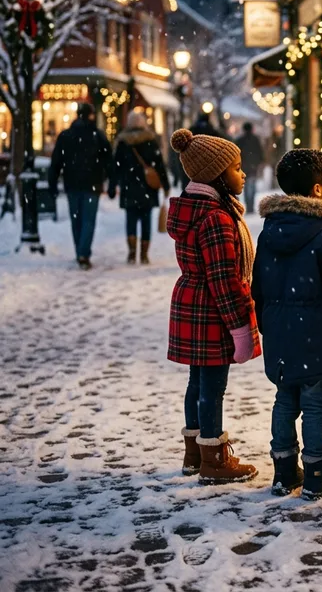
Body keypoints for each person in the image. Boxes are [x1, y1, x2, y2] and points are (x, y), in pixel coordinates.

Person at [252, 149, 322, 500]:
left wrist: (267, 325)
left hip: (281, 333)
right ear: (317, 190)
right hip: (317, 335)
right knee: (315, 405)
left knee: (284, 400)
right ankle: (316, 473)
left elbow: (259, 286)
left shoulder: (269, 232)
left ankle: (284, 471)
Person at [167, 128, 261, 485]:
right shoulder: (216, 218)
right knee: (212, 387)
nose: (243, 173)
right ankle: (214, 459)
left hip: (192, 302)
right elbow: (225, 280)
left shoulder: (195, 208)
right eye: (237, 168)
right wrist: (241, 328)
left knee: (197, 383)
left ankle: (194, 454)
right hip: (211, 311)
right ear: (217, 175)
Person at [48, 102, 113, 270]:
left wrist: (53, 183)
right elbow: (109, 162)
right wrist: (110, 181)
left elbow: (56, 162)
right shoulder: (97, 135)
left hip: (72, 183)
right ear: (91, 115)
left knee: (76, 220)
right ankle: (83, 253)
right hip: (92, 183)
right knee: (88, 220)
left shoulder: (66, 136)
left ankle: (80, 251)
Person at [108, 111, 170, 264]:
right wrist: (165, 184)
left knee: (131, 219)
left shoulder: (123, 142)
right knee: (146, 219)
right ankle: (144, 254)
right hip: (148, 187)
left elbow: (116, 166)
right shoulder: (151, 140)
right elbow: (160, 165)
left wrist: (112, 184)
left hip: (129, 186)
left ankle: (131, 252)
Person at [235, 122, 264, 214]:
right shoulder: (255, 139)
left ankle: (249, 205)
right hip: (253, 167)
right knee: (252, 187)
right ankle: (251, 206)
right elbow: (260, 153)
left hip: (244, 167)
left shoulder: (240, 140)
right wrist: (258, 163)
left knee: (247, 187)